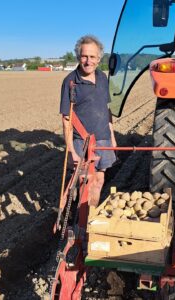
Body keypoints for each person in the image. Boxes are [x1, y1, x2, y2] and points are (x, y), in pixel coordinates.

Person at [60, 35, 117, 207]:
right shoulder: (71, 82)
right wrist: (71, 151)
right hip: (82, 142)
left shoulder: (102, 78)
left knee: (99, 179)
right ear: (78, 57)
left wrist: (112, 138)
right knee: (84, 183)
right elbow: (66, 119)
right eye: (84, 56)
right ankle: (80, 219)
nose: (88, 61)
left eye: (92, 57)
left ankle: (91, 214)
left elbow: (106, 110)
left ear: (99, 59)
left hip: (103, 139)